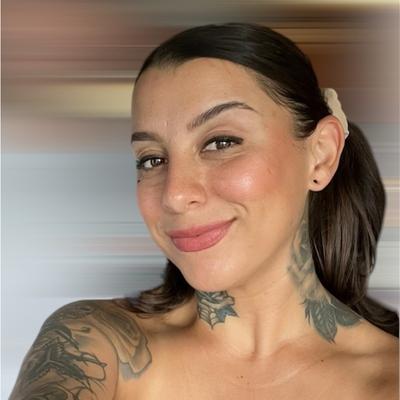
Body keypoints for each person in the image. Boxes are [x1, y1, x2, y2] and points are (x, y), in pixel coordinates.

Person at [10, 23, 398, 399]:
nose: (175, 195)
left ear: (321, 155)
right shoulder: (93, 342)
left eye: (221, 142)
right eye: (152, 159)